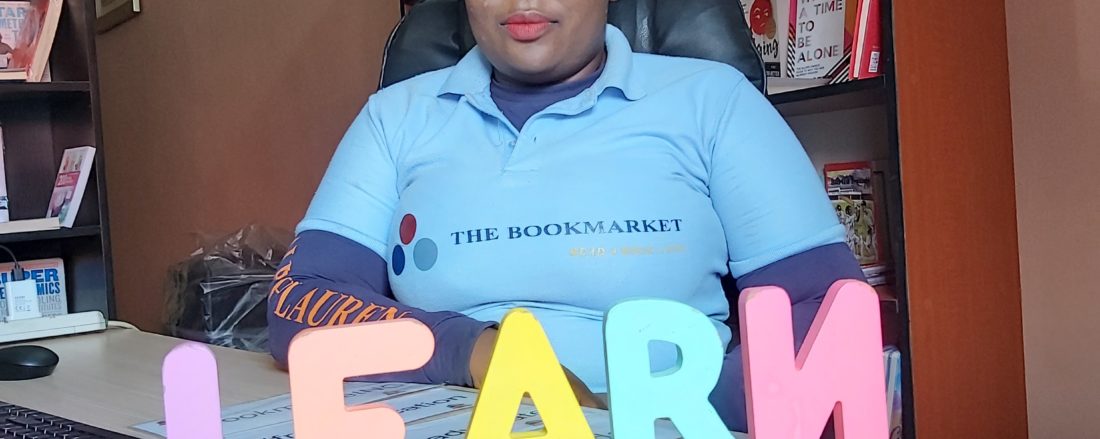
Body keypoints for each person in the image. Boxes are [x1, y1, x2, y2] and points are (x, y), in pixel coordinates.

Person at [268, 0, 865, 432]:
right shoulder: (394, 117)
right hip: (451, 418)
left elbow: (824, 310)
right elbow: (303, 299)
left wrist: (666, 412)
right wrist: (482, 354)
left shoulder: (714, 100)